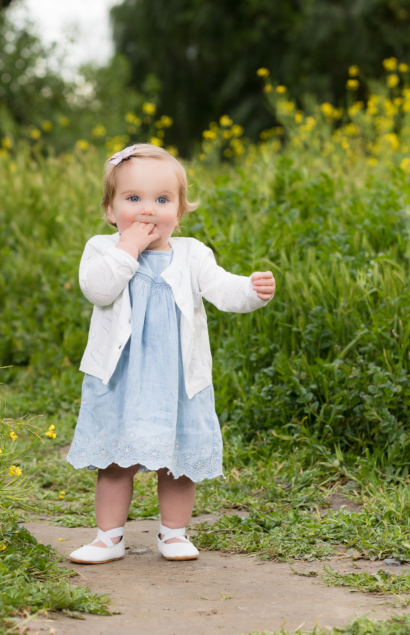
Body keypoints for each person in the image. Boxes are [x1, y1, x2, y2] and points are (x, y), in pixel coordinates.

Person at [65, 143, 276, 563]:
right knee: (113, 460)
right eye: (133, 199)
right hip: (121, 375)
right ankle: (109, 537)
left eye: (162, 201)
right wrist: (129, 248)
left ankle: (173, 533)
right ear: (110, 211)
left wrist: (251, 291)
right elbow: (99, 289)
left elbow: (221, 289)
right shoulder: (103, 250)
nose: (148, 210)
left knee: (178, 460)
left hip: (177, 376)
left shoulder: (192, 254)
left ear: (179, 213)